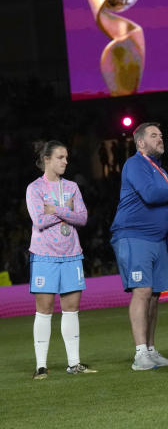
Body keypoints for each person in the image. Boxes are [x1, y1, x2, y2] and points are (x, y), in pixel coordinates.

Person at [111, 123, 168, 370]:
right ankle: (140, 354)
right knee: (142, 291)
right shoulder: (135, 164)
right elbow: (150, 196)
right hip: (133, 235)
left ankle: (150, 350)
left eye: (161, 135)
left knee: (153, 296)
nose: (160, 138)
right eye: (154, 136)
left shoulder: (159, 170)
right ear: (140, 142)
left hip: (156, 239)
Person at [27, 141, 95, 379]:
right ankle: (41, 366)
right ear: (47, 159)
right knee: (44, 310)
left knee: (71, 309)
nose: (66, 161)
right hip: (44, 255)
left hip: (71, 255)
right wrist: (66, 210)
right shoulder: (34, 188)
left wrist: (54, 209)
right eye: (61, 157)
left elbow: (83, 218)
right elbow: (39, 221)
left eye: (66, 157)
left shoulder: (73, 187)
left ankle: (74, 363)